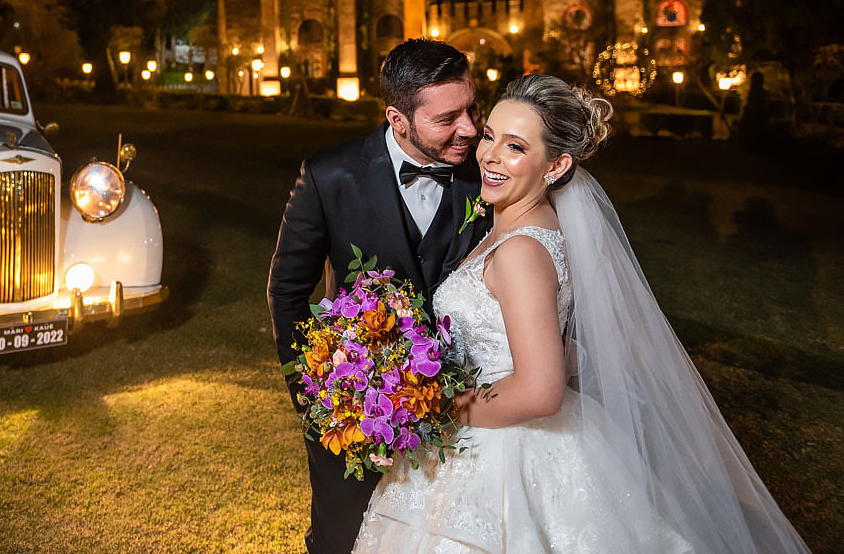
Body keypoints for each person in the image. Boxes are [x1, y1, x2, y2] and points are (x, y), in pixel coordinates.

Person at [354, 74, 811, 553]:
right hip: (491, 433)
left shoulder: (520, 251)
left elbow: (540, 390)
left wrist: (432, 406)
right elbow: (556, 349)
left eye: (514, 146)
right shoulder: (529, 230)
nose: (488, 154)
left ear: (556, 166)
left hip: (503, 457)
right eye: (489, 135)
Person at [268, 38, 493, 554]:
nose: (471, 129)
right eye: (448, 118)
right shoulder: (328, 176)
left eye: (471, 109)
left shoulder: (486, 174)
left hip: (464, 408)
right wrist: (318, 396)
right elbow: (287, 290)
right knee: (343, 538)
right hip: (357, 407)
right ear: (398, 119)